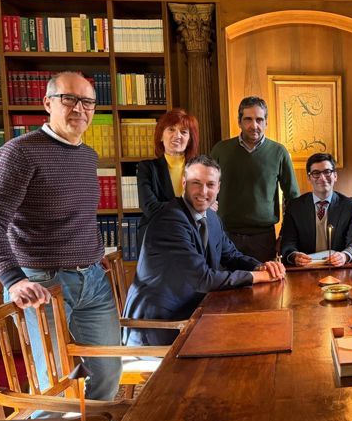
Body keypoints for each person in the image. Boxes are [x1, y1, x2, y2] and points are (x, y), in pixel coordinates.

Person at [0, 71, 121, 401]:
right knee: (54, 385)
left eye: (87, 102)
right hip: (41, 284)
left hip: (93, 282)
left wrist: (94, 253)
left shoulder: (88, 155)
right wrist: (13, 280)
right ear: (47, 103)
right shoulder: (19, 153)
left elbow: (82, 215)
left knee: (109, 372)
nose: (79, 108)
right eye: (69, 99)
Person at [123, 155, 286, 346]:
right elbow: (202, 279)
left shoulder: (211, 217)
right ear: (184, 183)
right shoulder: (169, 220)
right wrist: (258, 276)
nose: (203, 191)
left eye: (210, 184)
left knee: (260, 334)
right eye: (196, 183)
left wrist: (262, 267)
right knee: (246, 341)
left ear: (218, 187)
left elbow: (231, 255)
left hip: (193, 314)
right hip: (159, 327)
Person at [210, 96, 300, 263]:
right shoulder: (220, 150)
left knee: (263, 280)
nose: (254, 125)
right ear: (239, 122)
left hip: (263, 239)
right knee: (225, 280)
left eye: (259, 120)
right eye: (248, 119)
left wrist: (284, 236)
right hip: (225, 235)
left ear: (266, 122)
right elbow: (208, 190)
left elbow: (293, 198)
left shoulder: (279, 152)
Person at [279, 153, 352, 266]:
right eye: (316, 173)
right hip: (305, 268)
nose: (322, 178)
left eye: (327, 172)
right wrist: (294, 256)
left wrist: (345, 256)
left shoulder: (350, 206)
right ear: (309, 178)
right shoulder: (294, 207)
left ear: (335, 176)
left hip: (339, 267)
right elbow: (287, 242)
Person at [136, 108, 201, 241]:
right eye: (171, 129)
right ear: (161, 136)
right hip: (157, 234)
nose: (177, 135)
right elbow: (150, 208)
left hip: (193, 233)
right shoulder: (147, 168)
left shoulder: (200, 168)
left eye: (183, 132)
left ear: (189, 140)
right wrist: (191, 206)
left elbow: (208, 204)